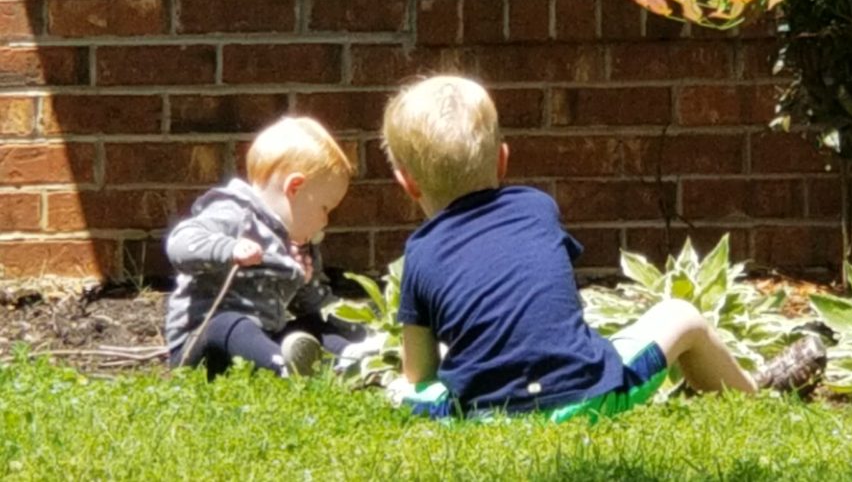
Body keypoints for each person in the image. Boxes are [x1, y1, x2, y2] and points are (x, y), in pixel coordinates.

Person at [379, 75, 769, 422]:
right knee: (682, 316)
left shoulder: (421, 253)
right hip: (594, 396)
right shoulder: (537, 208)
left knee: (404, 390)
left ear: (406, 182)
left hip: (487, 415)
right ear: (502, 160)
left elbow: (420, 373)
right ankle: (751, 397)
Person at [165, 116, 365, 380]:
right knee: (230, 324)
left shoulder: (296, 243)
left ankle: (356, 357)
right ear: (294, 188)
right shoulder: (235, 212)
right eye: (325, 208)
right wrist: (229, 248)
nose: (325, 220)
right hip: (202, 343)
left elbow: (315, 305)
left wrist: (306, 283)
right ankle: (283, 368)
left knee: (310, 328)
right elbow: (179, 242)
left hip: (266, 336)